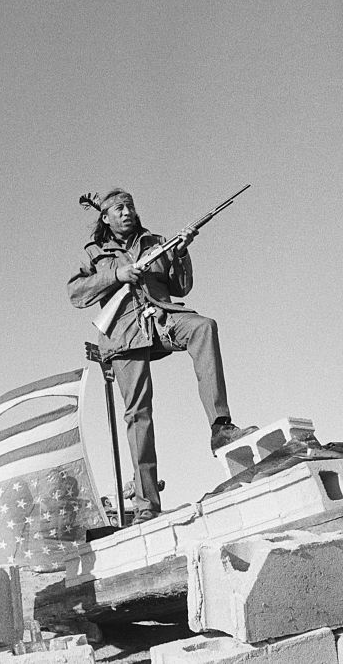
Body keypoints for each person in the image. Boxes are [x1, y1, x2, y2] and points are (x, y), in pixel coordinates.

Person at [68, 188, 256, 523]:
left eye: (130, 206)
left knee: (203, 327)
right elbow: (76, 293)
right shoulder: (94, 252)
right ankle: (146, 506)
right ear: (106, 217)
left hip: (162, 319)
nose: (127, 212)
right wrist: (116, 275)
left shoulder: (155, 242)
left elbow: (180, 287)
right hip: (124, 333)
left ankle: (221, 426)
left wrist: (181, 253)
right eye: (119, 208)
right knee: (138, 416)